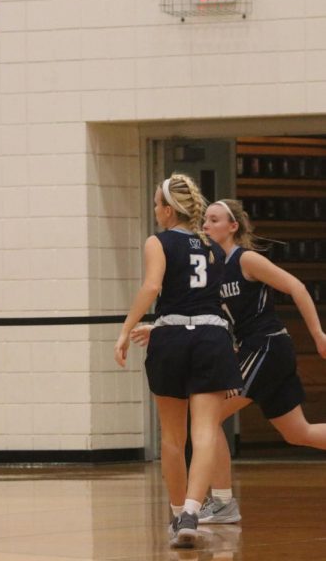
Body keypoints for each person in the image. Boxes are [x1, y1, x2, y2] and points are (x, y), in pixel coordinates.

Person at [132, 198, 326, 525]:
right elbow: (201, 311)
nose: (206, 225)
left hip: (267, 346)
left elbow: (296, 286)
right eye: (204, 220)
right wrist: (160, 327)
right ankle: (219, 502)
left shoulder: (245, 259)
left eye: (215, 220)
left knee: (210, 417)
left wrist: (319, 335)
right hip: (253, 349)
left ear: (233, 226)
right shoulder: (211, 263)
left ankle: (222, 502)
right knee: (299, 432)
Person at [114, 174, 242, 549]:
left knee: (172, 436)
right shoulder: (215, 248)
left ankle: (177, 514)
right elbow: (209, 301)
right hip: (211, 337)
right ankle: (191, 510)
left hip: (171, 337)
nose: (155, 211)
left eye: (157, 204)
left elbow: (153, 287)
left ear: (168, 210)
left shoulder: (158, 242)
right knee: (205, 432)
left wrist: (128, 328)